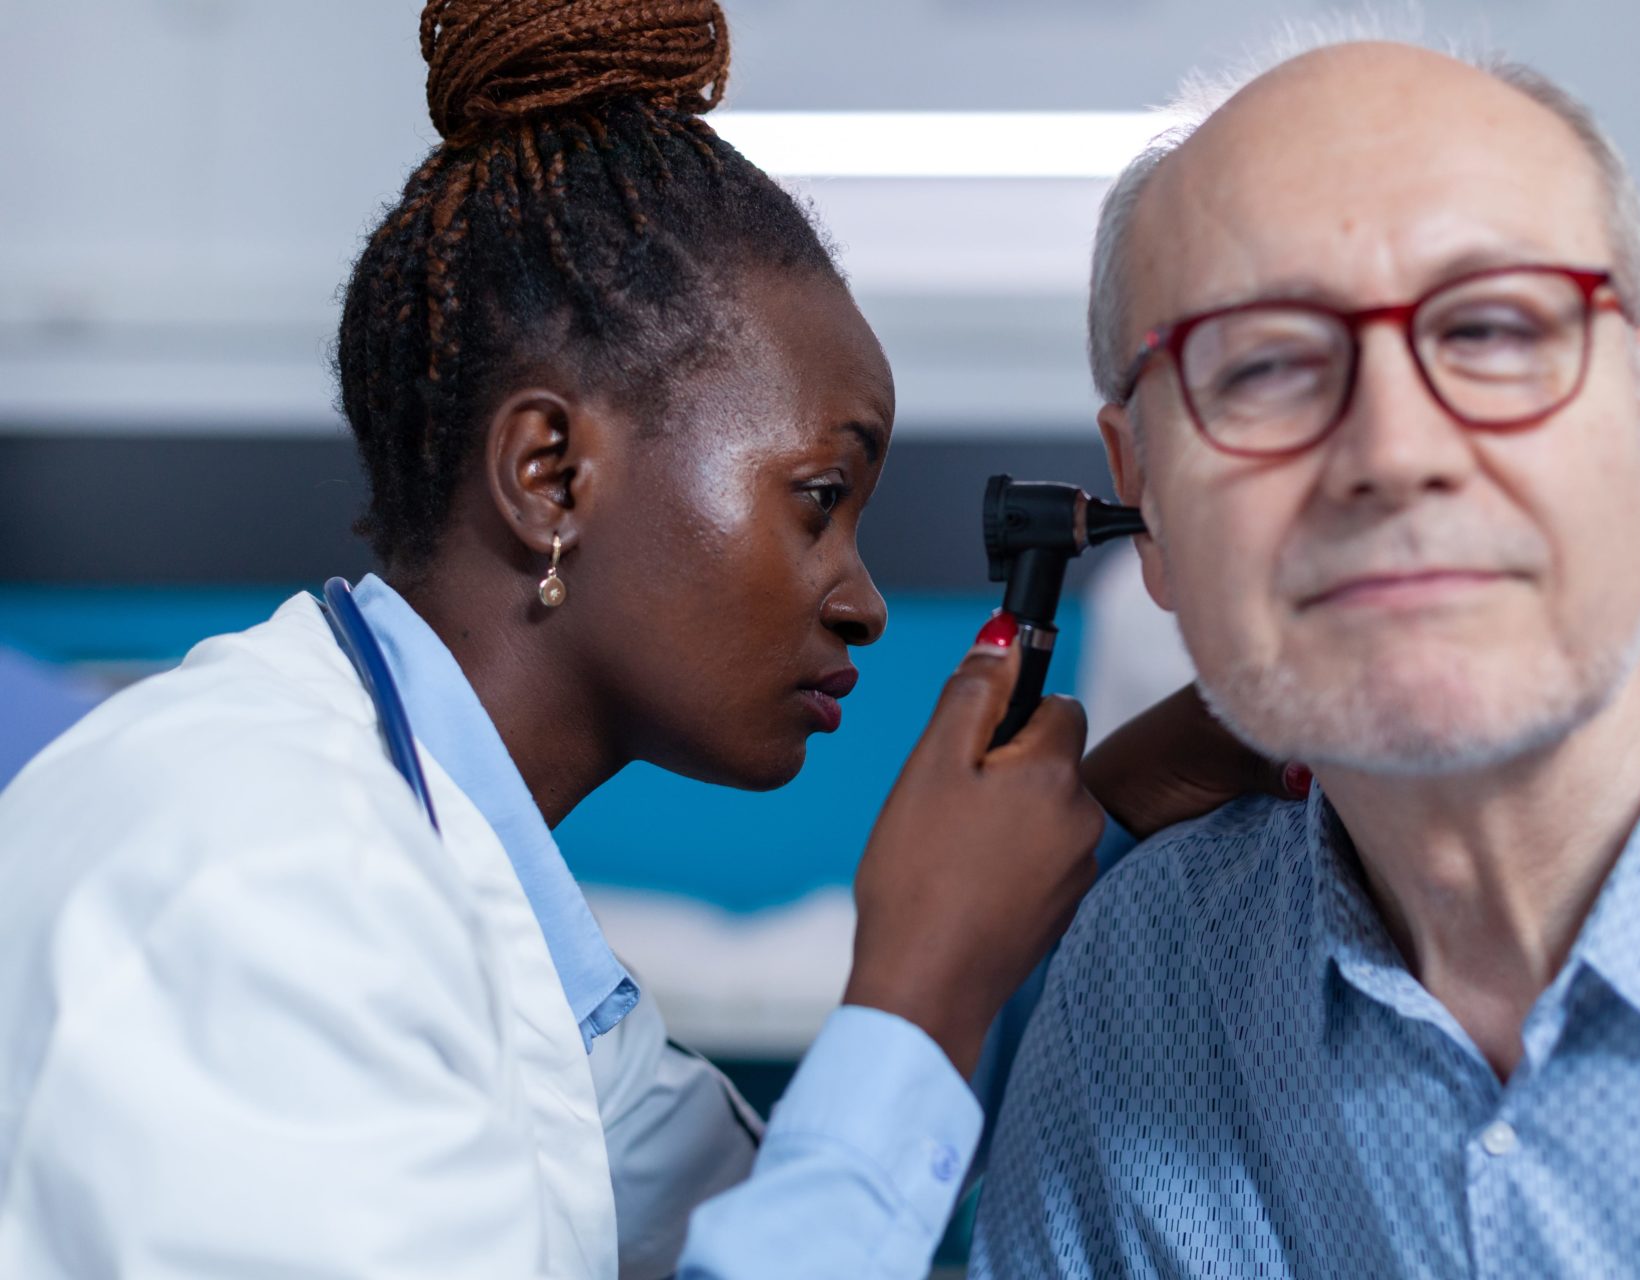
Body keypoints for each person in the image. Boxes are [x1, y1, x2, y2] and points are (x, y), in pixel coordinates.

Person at [0, 4, 1272, 1277]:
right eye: (820, 500)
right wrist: (920, 986)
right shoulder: (259, 880)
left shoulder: (459, 885)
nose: (863, 601)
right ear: (551, 475)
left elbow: (764, 1215)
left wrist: (1086, 829)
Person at [972, 30, 1640, 1279]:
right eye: (1263, 366)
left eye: (1489, 332)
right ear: (1141, 490)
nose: (1393, 451)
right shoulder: (1141, 987)